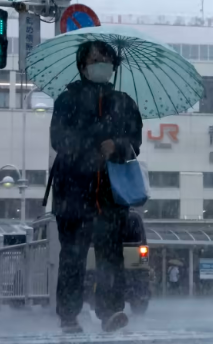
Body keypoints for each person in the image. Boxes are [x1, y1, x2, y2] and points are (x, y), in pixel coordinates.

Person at [47, 40, 143, 334]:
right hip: (72, 192)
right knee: (73, 256)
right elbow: (59, 140)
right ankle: (68, 315)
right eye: (94, 58)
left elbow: (135, 143)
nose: (101, 62)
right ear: (82, 66)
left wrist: (118, 145)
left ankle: (110, 312)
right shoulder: (67, 100)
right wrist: (92, 142)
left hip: (109, 196)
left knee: (111, 256)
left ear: (114, 66)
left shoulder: (124, 102)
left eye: (106, 58)